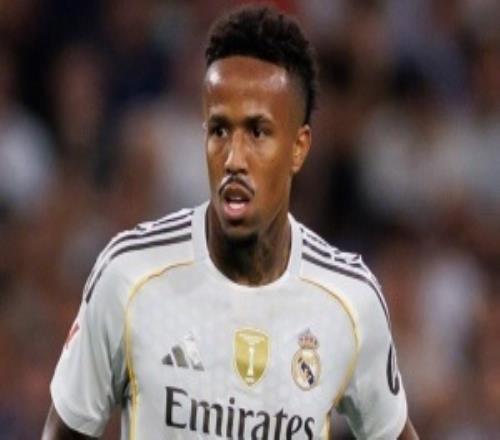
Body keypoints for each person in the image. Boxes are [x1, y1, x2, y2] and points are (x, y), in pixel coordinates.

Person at [42, 5, 418, 439]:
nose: (234, 159)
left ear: (298, 148)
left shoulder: (349, 300)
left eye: (258, 132)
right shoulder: (129, 275)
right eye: (220, 130)